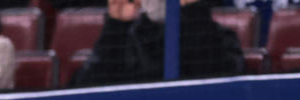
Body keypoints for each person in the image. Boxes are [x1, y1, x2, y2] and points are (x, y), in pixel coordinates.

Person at [72, 0, 243, 87]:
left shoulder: (217, 37)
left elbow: (222, 88)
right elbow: (87, 93)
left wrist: (195, 14)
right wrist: (116, 26)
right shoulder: (124, 38)